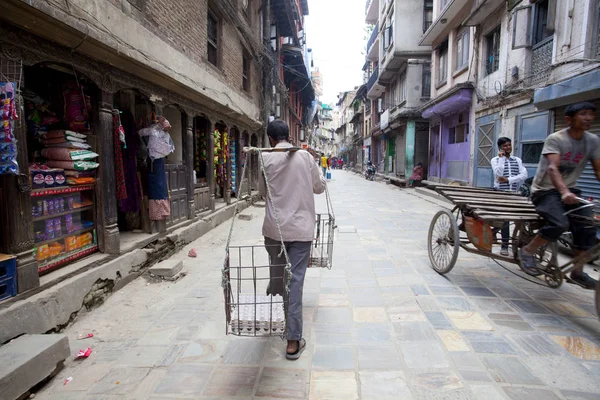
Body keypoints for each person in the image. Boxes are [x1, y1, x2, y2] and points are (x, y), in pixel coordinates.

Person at [259, 120, 326, 359]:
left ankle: (277, 282)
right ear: (289, 136)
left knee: (281, 272)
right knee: (295, 283)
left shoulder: (265, 158)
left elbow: (263, 192)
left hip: (275, 231)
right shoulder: (306, 158)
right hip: (300, 231)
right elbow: (319, 188)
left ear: (271, 139)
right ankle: (293, 340)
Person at [519, 102, 600, 289]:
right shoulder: (556, 139)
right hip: (545, 191)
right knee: (559, 223)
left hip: (571, 191)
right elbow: (553, 168)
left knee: (587, 226)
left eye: (591, 114)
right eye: (583, 114)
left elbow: (598, 170)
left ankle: (578, 271)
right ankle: (528, 251)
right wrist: (563, 192)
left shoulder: (593, 141)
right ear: (569, 119)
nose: (588, 118)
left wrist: (567, 192)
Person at [491, 138, 528, 255]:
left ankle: (493, 232)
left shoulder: (517, 160)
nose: (508, 147)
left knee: (515, 218)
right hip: (500, 194)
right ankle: (505, 246)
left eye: (509, 145)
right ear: (500, 148)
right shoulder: (495, 160)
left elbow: (524, 175)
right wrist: (501, 159)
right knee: (505, 220)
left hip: (513, 194)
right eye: (505, 146)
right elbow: (498, 174)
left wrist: (508, 180)